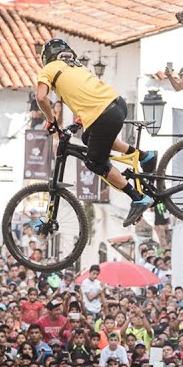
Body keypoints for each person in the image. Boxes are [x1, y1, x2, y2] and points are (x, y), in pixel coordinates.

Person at [35, 38, 154, 227]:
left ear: (47, 57)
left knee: (94, 162)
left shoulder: (49, 69)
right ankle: (143, 156)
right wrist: (77, 124)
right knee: (87, 137)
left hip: (104, 115)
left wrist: (51, 120)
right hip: (117, 105)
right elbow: (88, 97)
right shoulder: (78, 67)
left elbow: (41, 98)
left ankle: (137, 197)